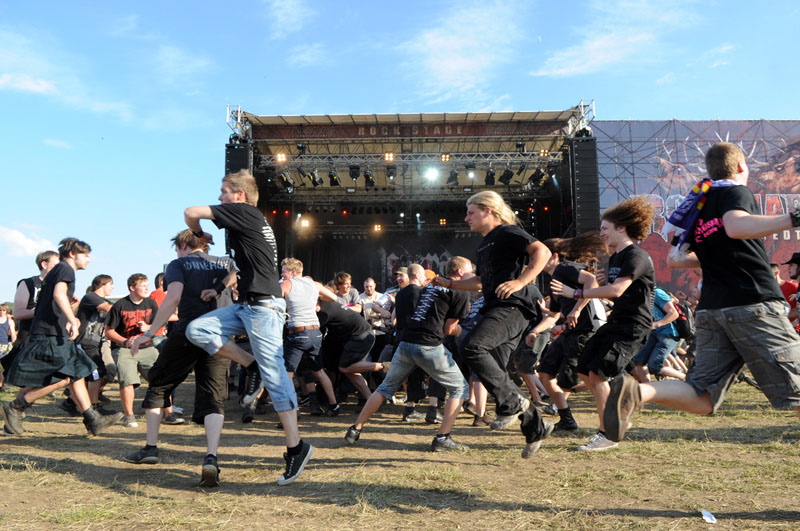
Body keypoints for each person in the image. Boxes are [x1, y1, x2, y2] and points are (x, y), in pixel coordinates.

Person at [604, 142, 800, 443]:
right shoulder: (733, 191)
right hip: (752, 302)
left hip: (712, 310)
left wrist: (715, 253)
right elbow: (736, 227)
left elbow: (676, 259)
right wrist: (793, 219)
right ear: (740, 167)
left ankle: (637, 391)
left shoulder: (699, 207)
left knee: (702, 396)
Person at [183, 169, 313, 486]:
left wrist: (198, 232)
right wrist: (219, 288)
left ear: (239, 196)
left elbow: (190, 212)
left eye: (224, 191)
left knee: (277, 376)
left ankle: (296, 447)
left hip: (264, 310)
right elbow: (241, 268)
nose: (219, 197)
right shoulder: (248, 220)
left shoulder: (244, 212)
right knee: (196, 330)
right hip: (247, 307)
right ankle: (249, 364)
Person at [434, 190, 553, 456]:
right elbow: (481, 282)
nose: (466, 218)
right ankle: (536, 427)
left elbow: (542, 252)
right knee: (492, 367)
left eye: (471, 212)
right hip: (494, 305)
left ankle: (512, 404)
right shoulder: (484, 244)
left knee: (472, 347)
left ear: (488, 210)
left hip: (512, 306)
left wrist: (521, 281)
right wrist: (450, 283)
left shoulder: (507, 232)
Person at [123, 230, 235, 487]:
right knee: (213, 396)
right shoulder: (227, 264)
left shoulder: (179, 264)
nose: (176, 253)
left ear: (184, 245)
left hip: (189, 332)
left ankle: (151, 448)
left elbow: (173, 297)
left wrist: (149, 333)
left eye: (177, 248)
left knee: (159, 384)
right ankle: (211, 458)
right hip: (220, 335)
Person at [551, 195, 655, 451]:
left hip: (632, 325)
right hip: (616, 322)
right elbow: (611, 288)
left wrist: (575, 293)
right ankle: (616, 415)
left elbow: (617, 291)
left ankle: (608, 433)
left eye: (605, 228)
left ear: (621, 227)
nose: (601, 233)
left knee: (597, 373)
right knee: (585, 368)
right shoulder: (618, 257)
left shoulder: (635, 256)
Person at [1, 238, 123, 436]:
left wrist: (68, 308)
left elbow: (55, 299)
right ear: (73, 254)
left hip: (55, 332)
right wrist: (73, 320)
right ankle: (16, 406)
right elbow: (58, 294)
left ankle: (93, 418)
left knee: (78, 371)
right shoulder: (65, 269)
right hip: (50, 335)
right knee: (62, 378)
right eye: (86, 255)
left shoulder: (58, 271)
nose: (89, 259)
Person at [344, 264, 470, 451]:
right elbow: (449, 329)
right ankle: (443, 438)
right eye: (472, 274)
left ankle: (355, 429)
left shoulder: (427, 289)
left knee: (385, 387)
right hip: (429, 346)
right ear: (461, 272)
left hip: (406, 343)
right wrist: (468, 333)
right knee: (460, 388)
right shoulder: (459, 293)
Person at [526, 234, 604, 432]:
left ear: (553, 255)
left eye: (539, 255)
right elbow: (553, 316)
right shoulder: (554, 280)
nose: (535, 261)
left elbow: (592, 281)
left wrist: (577, 309)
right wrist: (535, 331)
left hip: (585, 330)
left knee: (571, 379)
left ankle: (613, 388)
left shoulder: (565, 268)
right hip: (569, 333)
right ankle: (566, 419)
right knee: (545, 373)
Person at [104, 274, 160, 428]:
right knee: (127, 381)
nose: (147, 288)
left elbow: (160, 326)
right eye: (143, 285)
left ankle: (168, 414)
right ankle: (129, 416)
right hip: (125, 349)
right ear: (132, 288)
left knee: (161, 379)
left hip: (148, 347)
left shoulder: (151, 304)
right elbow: (108, 331)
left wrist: (148, 328)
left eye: (148, 285)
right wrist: (124, 341)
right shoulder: (120, 305)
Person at [3, 250, 59, 384]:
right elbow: (18, 313)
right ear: (44, 264)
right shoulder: (28, 283)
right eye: (56, 264)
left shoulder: (58, 286)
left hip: (50, 337)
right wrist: (45, 309)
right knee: (20, 377)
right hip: (29, 336)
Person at [631, 287, 683, 383]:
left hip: (667, 334)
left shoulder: (657, 293)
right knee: (639, 362)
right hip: (654, 333)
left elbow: (673, 313)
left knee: (654, 366)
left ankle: (685, 377)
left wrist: (657, 324)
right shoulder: (639, 295)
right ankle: (649, 390)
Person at [0, 304, 17, 390]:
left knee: (3, 366)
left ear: (6, 311)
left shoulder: (10, 321)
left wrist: (15, 343)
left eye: (3, 310)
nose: (2, 312)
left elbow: (13, 334)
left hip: (4, 345)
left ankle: (2, 384)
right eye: (0, 310)